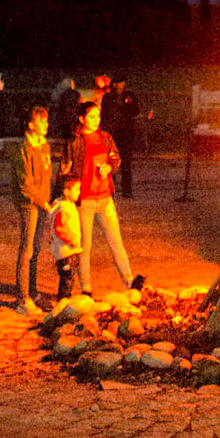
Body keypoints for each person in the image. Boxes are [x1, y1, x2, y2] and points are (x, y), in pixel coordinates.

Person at [70, 100, 144, 297]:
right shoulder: (75, 141)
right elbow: (66, 169)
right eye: (92, 116)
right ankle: (86, 288)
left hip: (105, 198)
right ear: (82, 119)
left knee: (116, 240)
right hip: (84, 200)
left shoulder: (105, 137)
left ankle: (129, 280)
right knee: (84, 246)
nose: (96, 120)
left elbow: (115, 158)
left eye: (98, 116)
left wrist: (109, 167)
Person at [8, 102, 54, 316]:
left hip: (42, 203)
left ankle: (32, 291)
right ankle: (22, 298)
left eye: (46, 121)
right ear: (30, 124)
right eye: (41, 121)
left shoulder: (44, 146)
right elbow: (25, 184)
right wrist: (41, 201)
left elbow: (46, 175)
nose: (45, 125)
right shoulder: (23, 149)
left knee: (35, 248)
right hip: (30, 204)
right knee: (26, 250)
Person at [49, 172, 85, 301]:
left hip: (66, 250)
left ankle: (64, 297)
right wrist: (72, 239)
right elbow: (60, 228)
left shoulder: (63, 205)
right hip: (66, 251)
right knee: (67, 277)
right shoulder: (63, 208)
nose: (79, 192)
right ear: (66, 192)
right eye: (76, 189)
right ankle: (64, 299)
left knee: (68, 276)